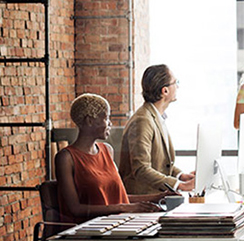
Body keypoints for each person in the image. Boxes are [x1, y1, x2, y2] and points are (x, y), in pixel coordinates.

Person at [56, 94, 164, 223]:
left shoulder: (107, 150)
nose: (110, 123)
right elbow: (75, 209)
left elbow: (119, 198)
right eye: (106, 118)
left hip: (114, 224)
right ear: (90, 121)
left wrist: (158, 197)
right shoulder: (66, 158)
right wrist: (124, 208)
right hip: (87, 231)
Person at [119, 64, 195, 194]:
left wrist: (180, 176)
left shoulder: (156, 117)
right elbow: (141, 169)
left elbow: (159, 162)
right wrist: (180, 186)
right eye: (175, 82)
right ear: (164, 91)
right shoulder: (142, 120)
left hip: (156, 198)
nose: (177, 86)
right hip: (143, 201)